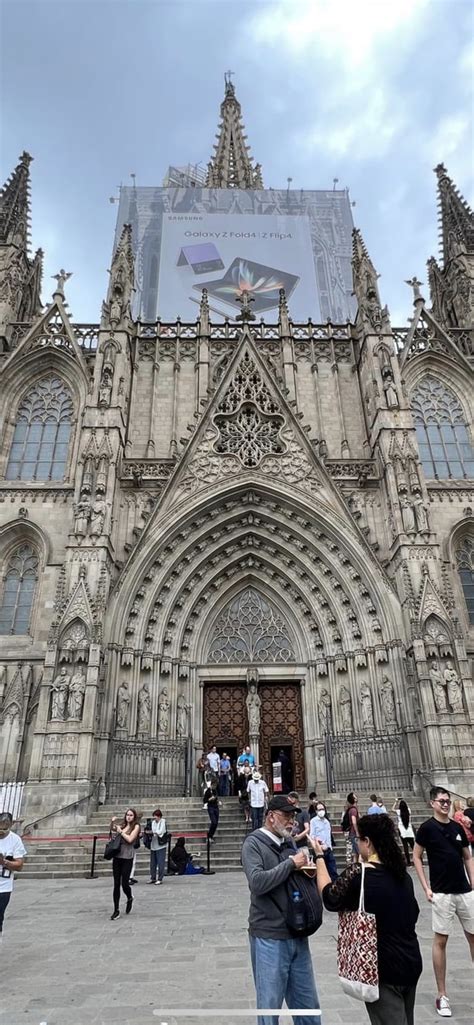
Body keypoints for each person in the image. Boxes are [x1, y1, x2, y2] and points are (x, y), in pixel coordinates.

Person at [315, 813, 422, 1025]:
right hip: (410, 962)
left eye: (359, 840)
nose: (357, 844)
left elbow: (329, 897)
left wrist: (319, 857)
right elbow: (414, 913)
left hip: (380, 967)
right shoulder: (402, 876)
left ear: (368, 842)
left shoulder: (359, 874)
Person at [241, 794, 322, 1025]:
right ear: (270, 817)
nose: (291, 822)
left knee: (308, 1006)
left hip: (297, 932)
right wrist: (290, 864)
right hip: (269, 935)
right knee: (269, 1006)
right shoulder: (253, 843)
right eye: (286, 816)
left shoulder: (289, 842)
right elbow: (257, 882)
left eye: (293, 817)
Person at [414, 785, 474, 1018]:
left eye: (447, 800)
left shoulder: (458, 827)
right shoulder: (427, 828)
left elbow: (467, 856)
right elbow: (416, 857)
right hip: (441, 892)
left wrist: (472, 882)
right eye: (441, 801)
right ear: (432, 803)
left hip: (464, 891)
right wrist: (426, 887)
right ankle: (442, 994)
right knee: (441, 940)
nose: (446, 803)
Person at [0, 811, 26, 943]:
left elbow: (20, 865)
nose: (2, 831)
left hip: (3, 887)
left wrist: (5, 862)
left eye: (5, 828)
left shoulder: (15, 840)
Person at [110, 808, 140, 920]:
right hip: (117, 856)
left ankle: (129, 897)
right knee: (116, 883)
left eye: (131, 815)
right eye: (127, 815)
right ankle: (116, 909)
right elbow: (113, 830)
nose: (129, 817)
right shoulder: (123, 825)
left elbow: (130, 839)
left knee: (124, 883)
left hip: (127, 857)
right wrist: (112, 823)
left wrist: (121, 832)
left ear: (134, 816)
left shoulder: (136, 827)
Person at [309, 801, 337, 881]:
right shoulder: (313, 821)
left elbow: (328, 836)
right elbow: (312, 835)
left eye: (323, 809)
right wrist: (318, 844)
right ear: (316, 811)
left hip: (328, 850)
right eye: (319, 809)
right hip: (319, 851)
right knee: (319, 873)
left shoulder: (327, 822)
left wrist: (329, 847)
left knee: (332, 872)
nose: (321, 811)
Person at [392, 797, 416, 866]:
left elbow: (392, 809)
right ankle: (418, 860)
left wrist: (396, 802)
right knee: (413, 846)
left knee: (405, 847)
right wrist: (404, 802)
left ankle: (408, 862)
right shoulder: (408, 810)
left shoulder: (399, 811)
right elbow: (407, 807)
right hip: (409, 830)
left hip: (402, 830)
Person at [147, 808, 168, 884]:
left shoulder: (163, 821)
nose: (155, 818)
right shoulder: (153, 822)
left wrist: (154, 832)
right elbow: (152, 830)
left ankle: (160, 878)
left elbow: (161, 831)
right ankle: (153, 877)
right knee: (153, 863)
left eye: (156, 816)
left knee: (160, 862)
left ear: (159, 816)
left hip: (161, 845)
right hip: (153, 844)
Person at [203, 778, 220, 842]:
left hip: (216, 807)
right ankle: (209, 836)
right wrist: (209, 799)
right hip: (211, 807)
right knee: (214, 822)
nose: (214, 787)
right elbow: (204, 800)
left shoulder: (215, 790)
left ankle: (211, 835)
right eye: (214, 785)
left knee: (216, 823)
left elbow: (216, 798)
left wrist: (218, 801)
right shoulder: (208, 791)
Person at [345, 792, 359, 864]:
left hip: (352, 832)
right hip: (354, 833)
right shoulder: (353, 810)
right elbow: (354, 822)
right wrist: (357, 832)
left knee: (355, 852)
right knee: (358, 851)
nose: (356, 797)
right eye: (355, 797)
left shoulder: (352, 809)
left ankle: (354, 868)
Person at [237, 758, 253, 824]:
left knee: (250, 805)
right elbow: (239, 785)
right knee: (245, 805)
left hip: (250, 792)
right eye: (246, 771)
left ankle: (250, 816)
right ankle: (247, 817)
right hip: (243, 792)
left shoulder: (251, 777)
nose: (247, 773)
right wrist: (239, 792)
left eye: (248, 771)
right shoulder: (241, 777)